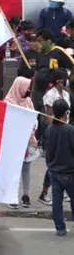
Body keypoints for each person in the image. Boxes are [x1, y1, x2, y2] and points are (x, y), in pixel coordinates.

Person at [5, 72, 40, 208]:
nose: (28, 91)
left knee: (26, 168)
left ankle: (26, 195)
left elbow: (34, 120)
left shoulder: (28, 101)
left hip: (27, 143)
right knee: (13, 169)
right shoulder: (8, 103)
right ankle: (11, 197)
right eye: (26, 87)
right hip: (13, 142)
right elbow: (8, 123)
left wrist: (31, 133)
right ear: (18, 87)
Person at [45, 98, 74, 235]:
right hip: (69, 171)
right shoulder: (70, 130)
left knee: (57, 201)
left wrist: (50, 166)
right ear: (66, 113)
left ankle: (60, 228)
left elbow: (48, 151)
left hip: (54, 170)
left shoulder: (49, 130)